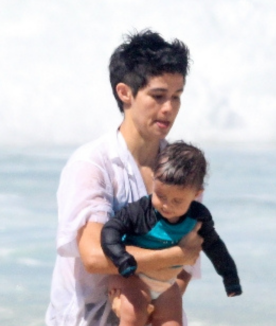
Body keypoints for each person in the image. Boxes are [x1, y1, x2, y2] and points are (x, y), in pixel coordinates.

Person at [45, 29, 204, 326]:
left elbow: (183, 270)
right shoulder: (93, 164)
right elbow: (93, 255)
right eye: (158, 96)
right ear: (125, 92)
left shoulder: (182, 171)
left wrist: (152, 302)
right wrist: (174, 254)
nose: (169, 109)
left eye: (177, 97)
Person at [101, 141, 242, 326]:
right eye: (160, 195)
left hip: (167, 283)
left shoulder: (198, 217)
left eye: (177, 201)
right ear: (154, 180)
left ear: (196, 194)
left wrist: (230, 278)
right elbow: (110, 230)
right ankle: (128, 307)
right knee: (134, 317)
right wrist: (121, 259)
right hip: (132, 278)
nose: (166, 205)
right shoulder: (140, 212)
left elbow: (215, 247)